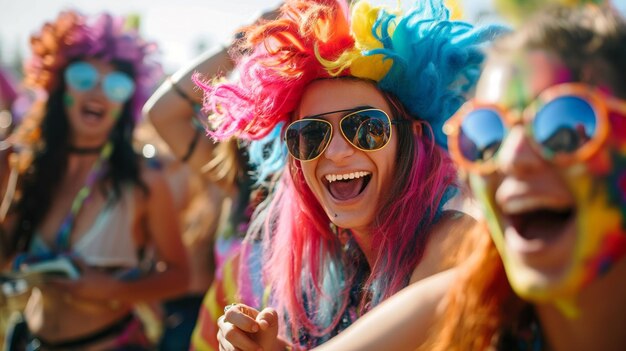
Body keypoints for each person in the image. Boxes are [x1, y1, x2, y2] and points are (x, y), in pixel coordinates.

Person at [295, 3, 626, 351]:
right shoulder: (465, 302)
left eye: (565, 127)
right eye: (486, 136)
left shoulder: (447, 253)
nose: (511, 158)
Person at [202, 0, 500, 349]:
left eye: (366, 128)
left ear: (415, 136)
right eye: (312, 134)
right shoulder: (327, 274)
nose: (336, 152)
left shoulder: (453, 241)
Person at [0, 11, 189, 350]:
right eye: (83, 77)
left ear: (127, 100)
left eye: (116, 85)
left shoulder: (145, 178)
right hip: (29, 340)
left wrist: (115, 291)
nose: (99, 93)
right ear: (59, 85)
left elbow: (180, 276)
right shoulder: (29, 166)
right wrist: (6, 182)